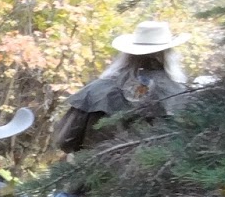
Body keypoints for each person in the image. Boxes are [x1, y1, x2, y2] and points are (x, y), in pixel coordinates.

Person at [53, 20, 189, 154]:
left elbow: (65, 140)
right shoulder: (181, 94)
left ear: (127, 55)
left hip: (98, 171)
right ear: (169, 55)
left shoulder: (96, 90)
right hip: (159, 175)